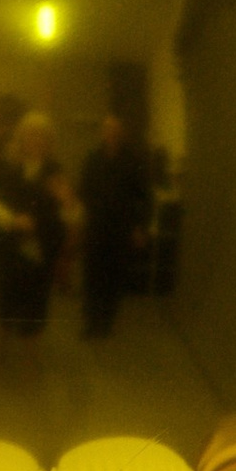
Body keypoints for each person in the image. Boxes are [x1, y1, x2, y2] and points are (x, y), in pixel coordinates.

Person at [0, 109, 68, 339]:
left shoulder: (54, 170)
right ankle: (2, 343)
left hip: (41, 249)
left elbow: (67, 214)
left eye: (42, 135)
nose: (36, 140)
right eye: (31, 134)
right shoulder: (3, 165)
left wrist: (67, 201)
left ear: (49, 141)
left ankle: (31, 356)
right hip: (8, 246)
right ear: (21, 137)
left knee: (36, 302)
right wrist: (12, 220)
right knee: (5, 296)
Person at [77, 112, 149, 339]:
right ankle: (91, 323)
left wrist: (138, 227)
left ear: (122, 133)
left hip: (121, 228)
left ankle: (106, 322)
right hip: (96, 227)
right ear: (102, 132)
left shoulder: (133, 160)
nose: (111, 133)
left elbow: (142, 196)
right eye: (107, 129)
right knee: (92, 276)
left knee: (113, 277)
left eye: (115, 129)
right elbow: (83, 191)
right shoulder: (92, 158)